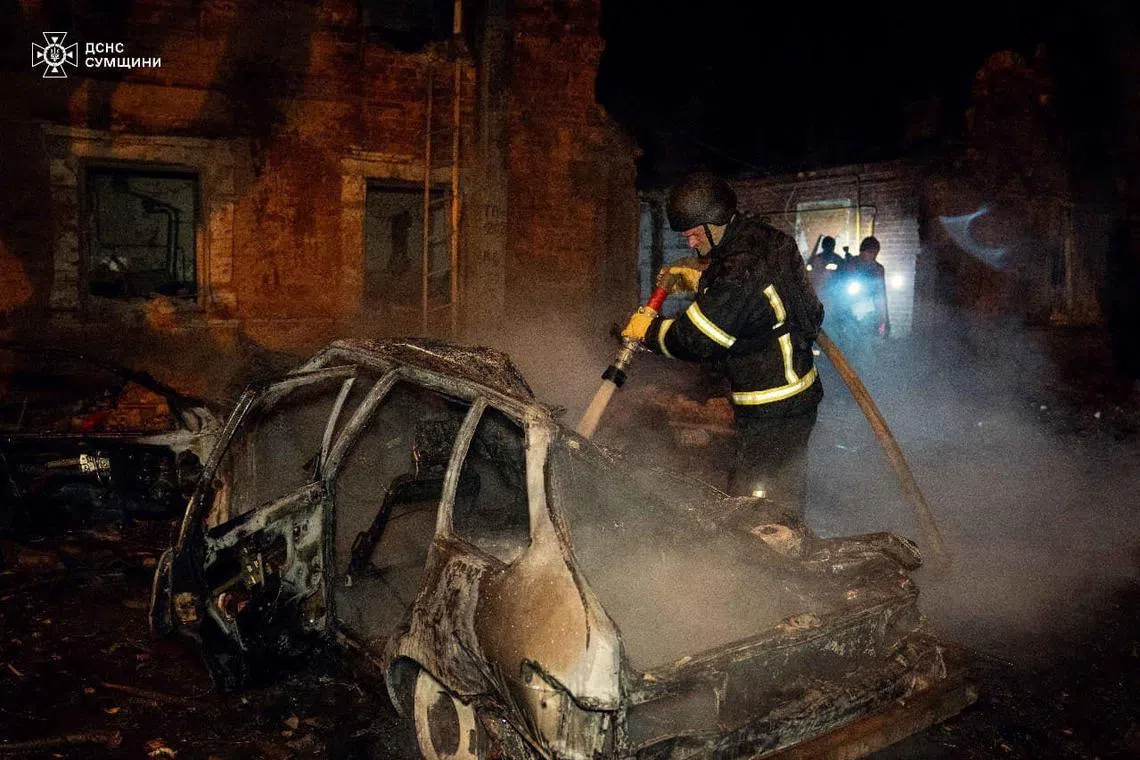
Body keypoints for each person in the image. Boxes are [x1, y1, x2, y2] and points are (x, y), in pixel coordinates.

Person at [621, 173, 824, 514]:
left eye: (695, 234)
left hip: (772, 406)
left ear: (716, 224)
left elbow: (696, 340)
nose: (690, 244)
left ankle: (769, 561)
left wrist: (649, 331)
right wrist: (705, 278)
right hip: (795, 396)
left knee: (759, 504)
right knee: (779, 491)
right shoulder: (765, 239)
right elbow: (766, 297)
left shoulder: (740, 271)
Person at [837, 236, 890, 340]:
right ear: (862, 251)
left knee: (867, 342)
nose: (872, 256)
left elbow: (881, 295)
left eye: (874, 253)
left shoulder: (878, 269)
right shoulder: (851, 264)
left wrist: (884, 321)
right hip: (849, 309)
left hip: (869, 313)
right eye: (869, 252)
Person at [806, 235, 844, 332]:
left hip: (833, 298)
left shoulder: (837, 260)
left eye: (830, 245)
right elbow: (809, 274)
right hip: (818, 296)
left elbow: (842, 276)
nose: (828, 248)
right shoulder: (815, 260)